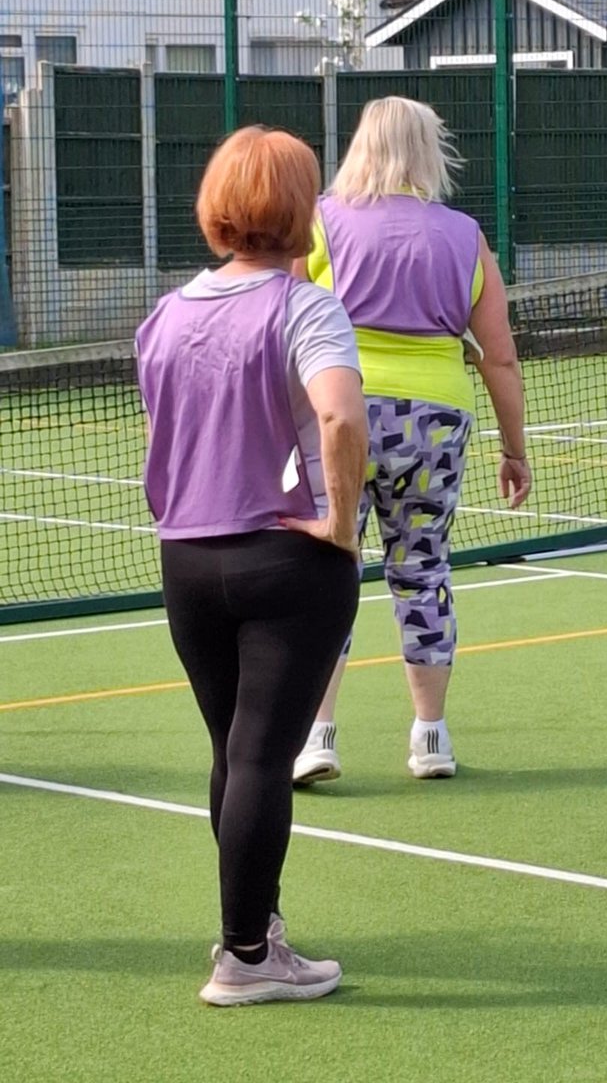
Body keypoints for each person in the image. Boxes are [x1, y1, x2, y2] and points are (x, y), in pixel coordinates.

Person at [135, 125, 368, 1004]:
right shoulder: (305, 307)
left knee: (233, 751)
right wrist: (339, 522)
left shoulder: (165, 314)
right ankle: (245, 954)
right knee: (264, 755)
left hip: (187, 558)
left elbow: (163, 434)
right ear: (302, 209)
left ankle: (253, 930)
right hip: (284, 556)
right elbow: (341, 417)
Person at [290, 95, 531, 782]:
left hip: (341, 409)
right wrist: (514, 449)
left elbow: (282, 319)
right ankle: (431, 737)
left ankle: (316, 735)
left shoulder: (321, 222)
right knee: (423, 568)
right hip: (437, 420)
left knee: (327, 567)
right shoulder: (465, 235)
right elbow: (500, 357)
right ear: (430, 152)